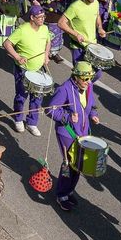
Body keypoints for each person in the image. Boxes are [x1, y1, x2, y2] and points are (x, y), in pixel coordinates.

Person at [47, 60, 99, 211]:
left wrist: (94, 114)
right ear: (75, 76)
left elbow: (92, 104)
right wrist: (67, 117)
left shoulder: (89, 86)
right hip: (67, 132)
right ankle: (61, 195)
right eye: (84, 78)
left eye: (89, 78)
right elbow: (50, 110)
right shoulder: (64, 89)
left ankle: (69, 191)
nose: (87, 82)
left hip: (83, 132)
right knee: (69, 165)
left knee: (78, 165)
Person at [3, 2, 53, 136]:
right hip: (23, 69)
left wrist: (46, 55)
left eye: (43, 16)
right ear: (32, 18)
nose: (42, 19)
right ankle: (18, 119)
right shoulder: (22, 29)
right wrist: (18, 57)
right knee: (21, 95)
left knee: (37, 97)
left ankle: (32, 122)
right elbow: (7, 43)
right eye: (40, 17)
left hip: (38, 68)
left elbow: (48, 42)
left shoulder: (44, 29)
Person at [57, 0, 105, 67]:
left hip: (92, 44)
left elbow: (97, 16)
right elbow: (61, 23)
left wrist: (100, 28)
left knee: (97, 73)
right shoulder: (75, 6)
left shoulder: (96, 3)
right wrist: (76, 34)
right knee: (80, 74)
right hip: (78, 45)